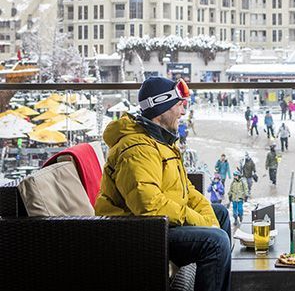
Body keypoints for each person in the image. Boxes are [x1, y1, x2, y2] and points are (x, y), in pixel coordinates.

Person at [95, 76, 231, 291]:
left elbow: (186, 188)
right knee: (216, 241)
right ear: (161, 109)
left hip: (159, 223)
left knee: (220, 213)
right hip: (138, 233)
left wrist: (207, 217)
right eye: (179, 105)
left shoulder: (159, 141)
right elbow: (148, 204)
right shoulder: (138, 149)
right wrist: (199, 221)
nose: (184, 112)